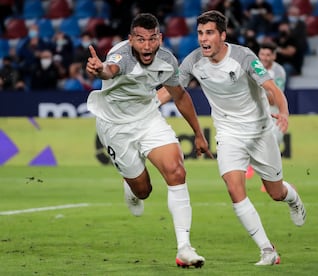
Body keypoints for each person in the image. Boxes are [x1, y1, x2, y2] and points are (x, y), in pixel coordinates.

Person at [158, 10, 306, 266]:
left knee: (275, 192)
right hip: (228, 133)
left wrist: (283, 111)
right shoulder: (193, 61)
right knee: (234, 189)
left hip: (260, 132)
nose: (203, 39)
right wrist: (144, 106)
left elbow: (271, 88)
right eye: (200, 33)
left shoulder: (243, 56)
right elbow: (170, 91)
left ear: (222, 36)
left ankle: (292, 198)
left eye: (209, 33)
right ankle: (267, 251)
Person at [85, 13, 212, 268]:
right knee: (143, 190)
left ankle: (184, 248)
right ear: (131, 39)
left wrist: (198, 134)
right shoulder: (120, 55)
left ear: (160, 38)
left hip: (147, 119)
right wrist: (100, 70)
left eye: (152, 39)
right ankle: (130, 186)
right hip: (115, 127)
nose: (146, 46)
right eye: (140, 40)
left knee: (177, 171)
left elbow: (180, 95)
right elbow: (110, 70)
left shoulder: (166, 60)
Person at [246, 42, 286, 182]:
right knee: (250, 139)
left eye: (268, 55)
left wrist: (260, 92)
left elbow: (274, 99)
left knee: (274, 144)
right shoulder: (253, 68)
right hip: (257, 112)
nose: (264, 57)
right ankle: (251, 165)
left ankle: (271, 179)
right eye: (262, 54)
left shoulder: (279, 71)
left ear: (274, 56)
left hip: (274, 113)